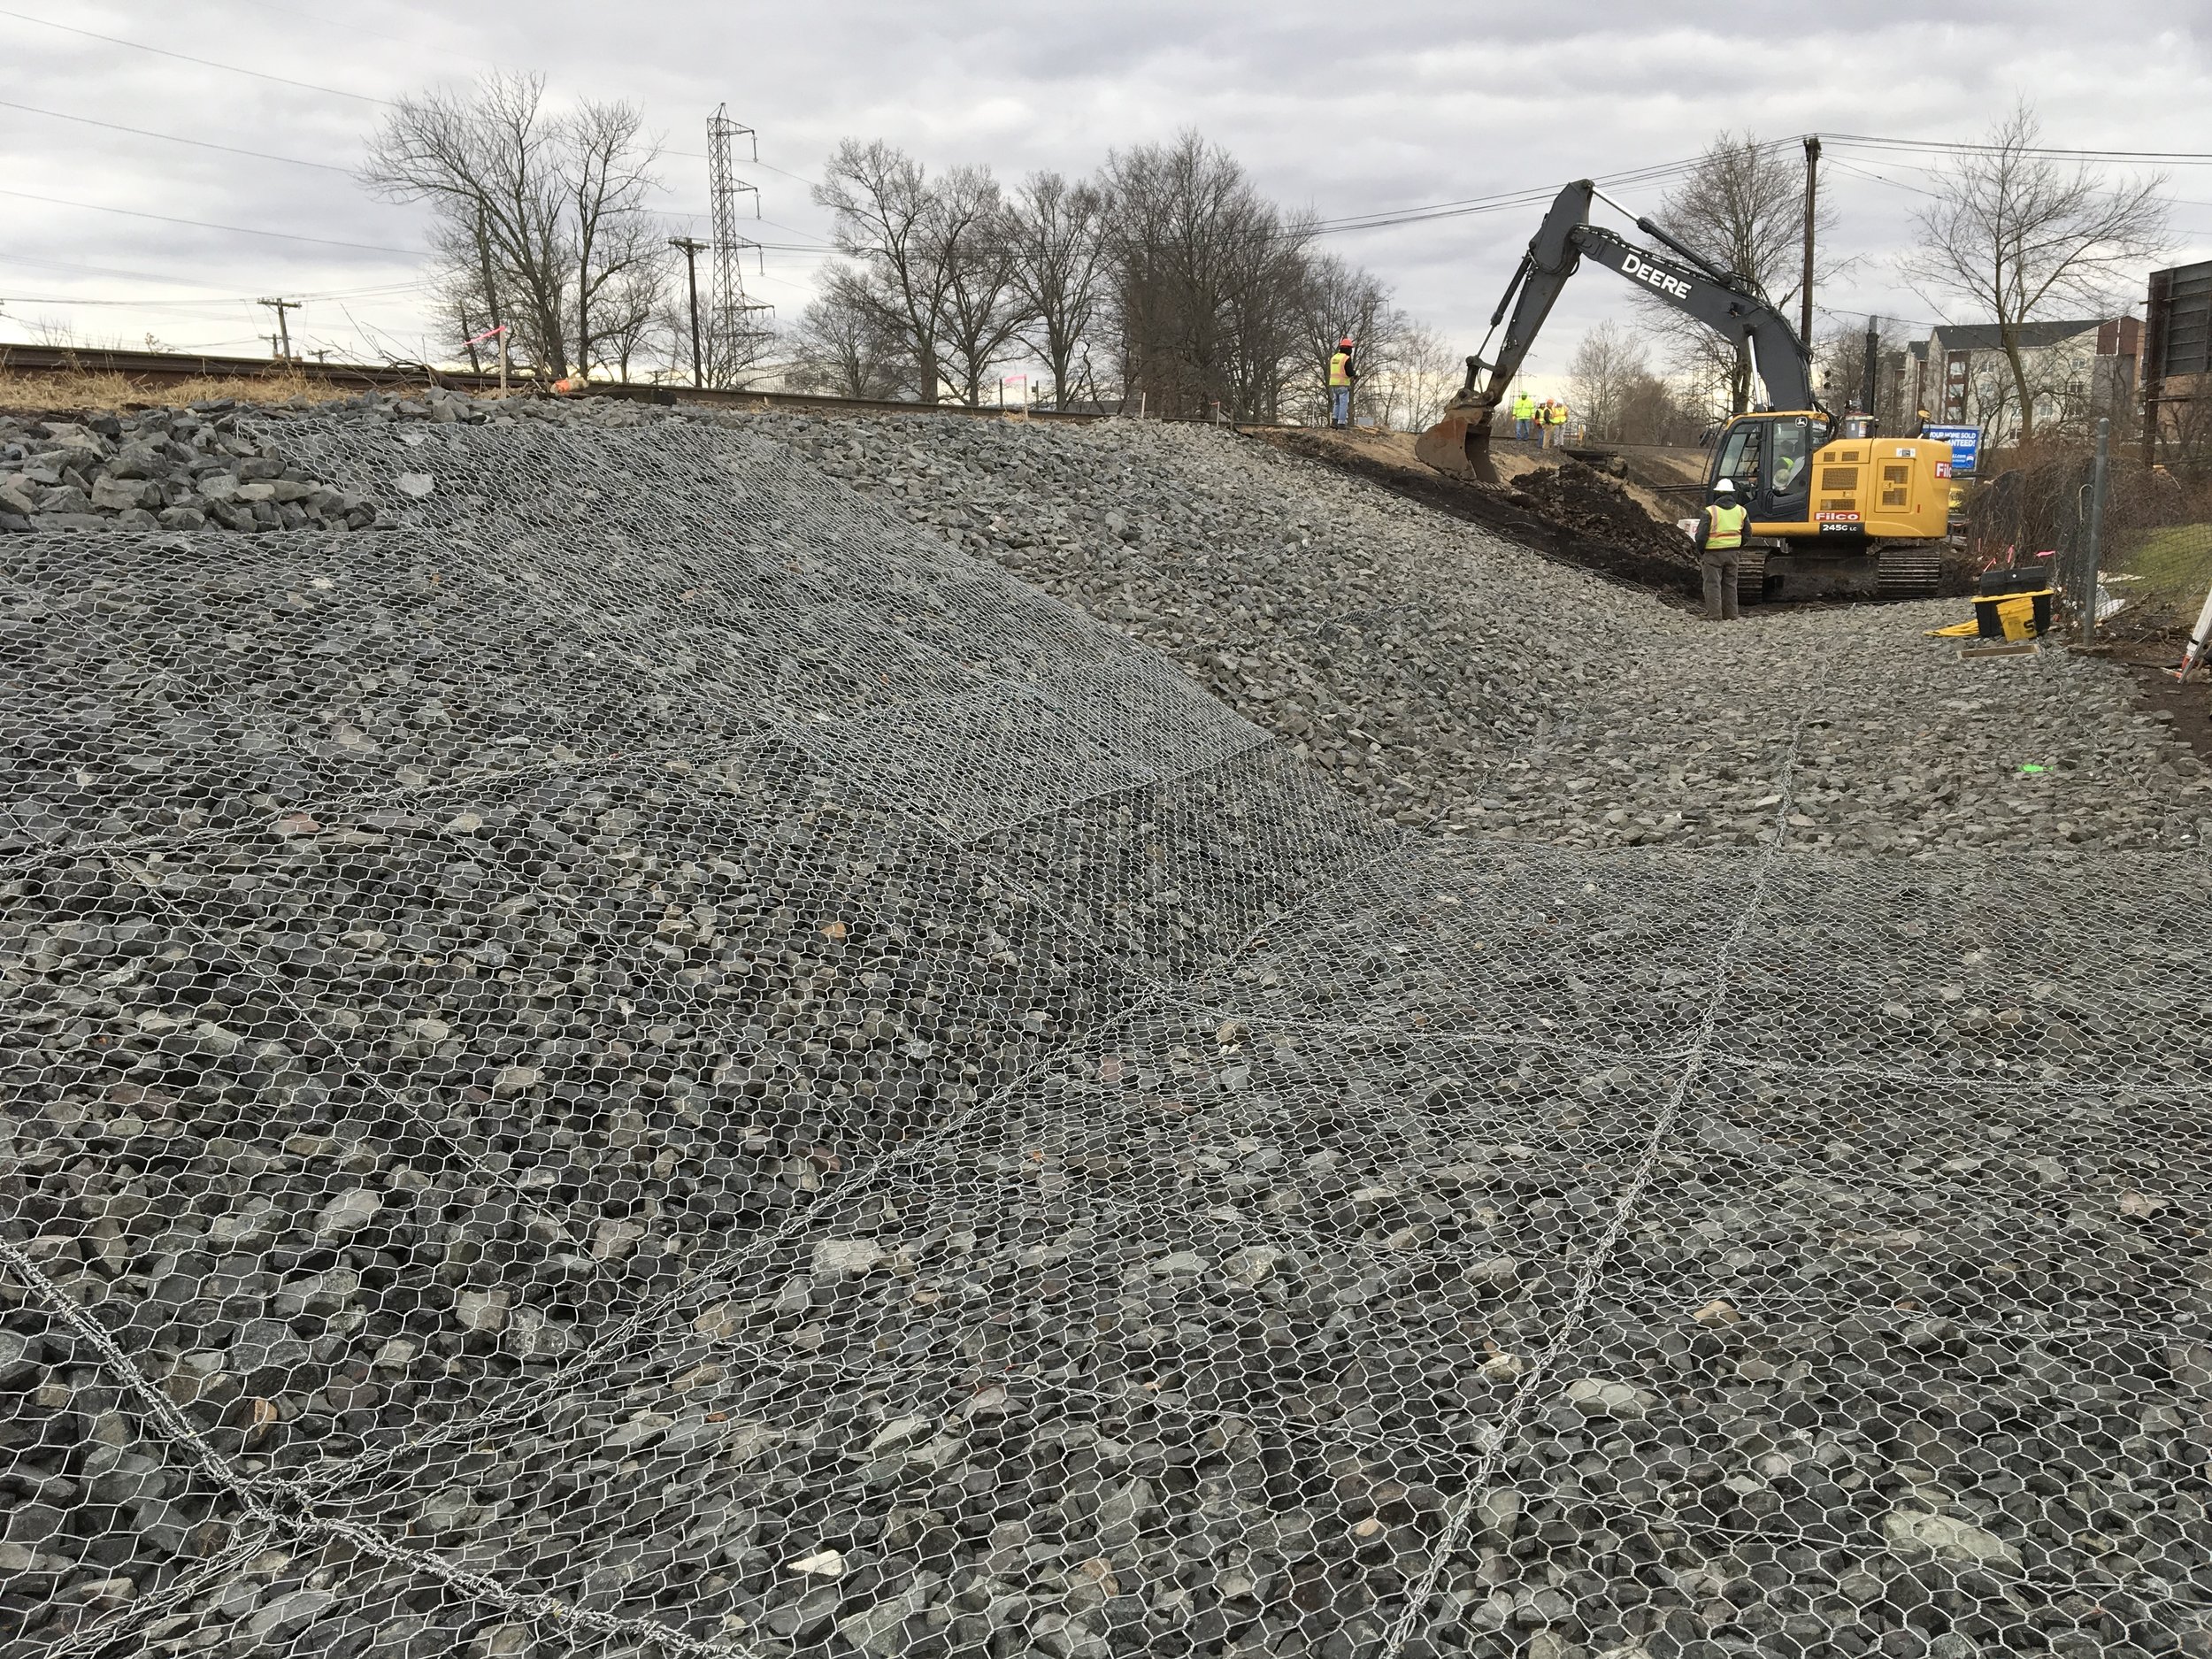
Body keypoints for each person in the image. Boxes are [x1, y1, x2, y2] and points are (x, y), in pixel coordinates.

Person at [1693, 478, 1750, 620]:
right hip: (1732, 553)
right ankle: (1731, 614)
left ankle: (1714, 614)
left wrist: (1702, 550)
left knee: (1712, 584)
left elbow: (1701, 535)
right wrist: (1737, 546)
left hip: (1713, 553)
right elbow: (1748, 533)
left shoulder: (1710, 511)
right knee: (1730, 584)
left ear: (1718, 494)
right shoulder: (1741, 511)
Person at [1327, 337, 1356, 427]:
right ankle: (1341, 423)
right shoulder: (1346, 358)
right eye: (1350, 348)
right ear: (1347, 348)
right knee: (1343, 404)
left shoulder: (1334, 357)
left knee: (1337, 403)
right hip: (1343, 384)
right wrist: (1354, 374)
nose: (1351, 350)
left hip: (1334, 384)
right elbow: (1349, 372)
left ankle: (1334, 421)